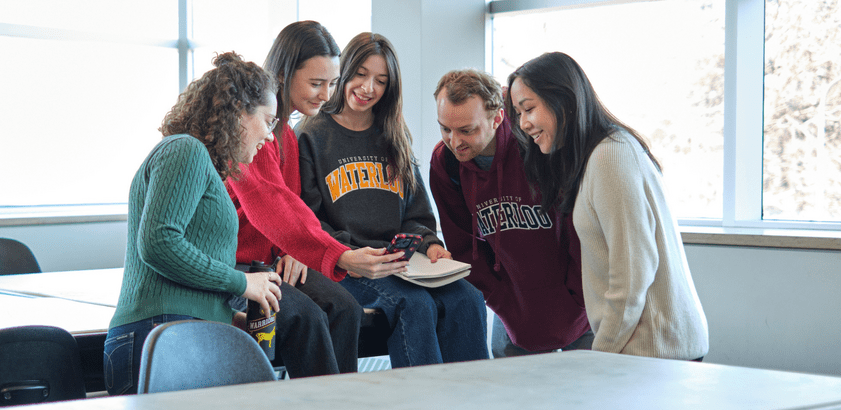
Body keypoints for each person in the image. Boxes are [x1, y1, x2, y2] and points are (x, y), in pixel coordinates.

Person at [297, 33, 489, 368]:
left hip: (403, 262)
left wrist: (430, 245)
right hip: (353, 264)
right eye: (360, 73)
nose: (368, 87)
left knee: (469, 300)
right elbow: (308, 219)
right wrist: (347, 254)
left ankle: (473, 397)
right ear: (342, 71)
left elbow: (416, 211)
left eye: (381, 80)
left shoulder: (394, 134)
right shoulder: (311, 135)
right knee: (414, 306)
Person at [226, 20, 403, 377]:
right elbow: (270, 205)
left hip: (272, 262)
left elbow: (293, 206)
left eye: (332, 83)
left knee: (346, 308)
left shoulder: (286, 135)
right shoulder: (251, 130)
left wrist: (293, 249)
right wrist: (340, 254)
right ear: (284, 74)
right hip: (236, 268)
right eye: (316, 83)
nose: (326, 94)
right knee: (306, 317)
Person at [506, 51, 709, 360]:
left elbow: (631, 276)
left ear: (566, 100)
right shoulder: (598, 157)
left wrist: (599, 355)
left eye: (529, 109)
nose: (523, 124)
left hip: (655, 353)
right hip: (641, 351)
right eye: (518, 113)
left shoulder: (610, 155)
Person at [104, 52, 284, 395]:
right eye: (269, 121)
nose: (272, 137)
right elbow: (158, 243)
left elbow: (185, 276)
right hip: (162, 334)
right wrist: (242, 283)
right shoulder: (185, 150)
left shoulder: (204, 166)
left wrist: (228, 318)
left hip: (176, 333)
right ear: (239, 113)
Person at [429, 69, 592, 357]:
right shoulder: (446, 163)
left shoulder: (540, 144)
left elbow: (582, 233)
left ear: (497, 117)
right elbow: (462, 245)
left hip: (581, 309)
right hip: (514, 311)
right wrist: (501, 300)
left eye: (467, 130)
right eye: (445, 129)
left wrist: (578, 298)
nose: (455, 142)